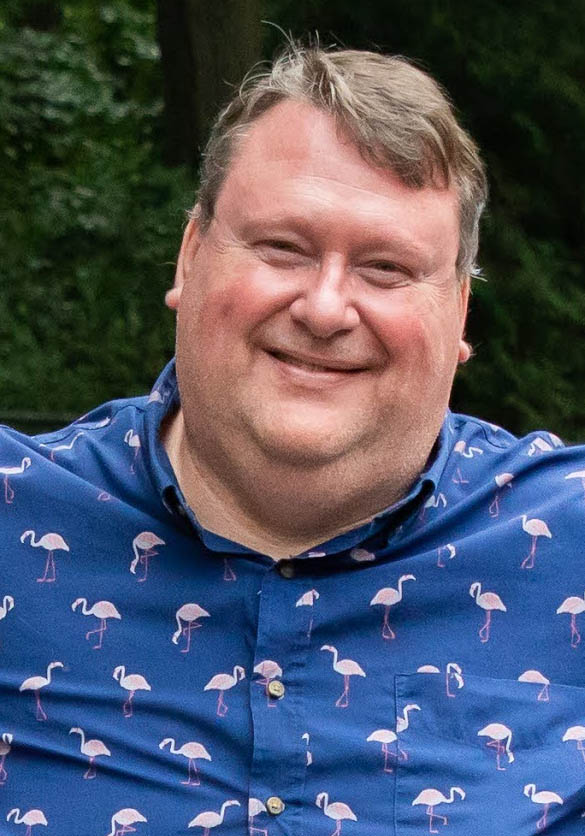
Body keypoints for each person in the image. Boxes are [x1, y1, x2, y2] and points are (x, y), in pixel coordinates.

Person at [1, 43, 584, 836]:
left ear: (458, 314)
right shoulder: (13, 518)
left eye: (385, 268)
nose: (324, 308)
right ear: (189, 257)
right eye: (282, 247)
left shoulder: (564, 539)